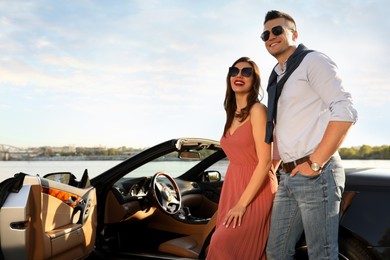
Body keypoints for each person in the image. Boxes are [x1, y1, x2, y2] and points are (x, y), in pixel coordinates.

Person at [261, 10, 358, 259]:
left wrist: (315, 163)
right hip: (289, 176)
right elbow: (284, 127)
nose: (270, 36)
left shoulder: (313, 61)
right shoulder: (276, 76)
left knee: (321, 255)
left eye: (277, 30)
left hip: (317, 173)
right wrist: (272, 169)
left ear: (294, 33)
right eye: (265, 34)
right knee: (276, 252)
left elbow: (345, 110)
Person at [206, 57, 278, 260]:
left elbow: (265, 161)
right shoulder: (232, 114)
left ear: (254, 80)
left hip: (257, 189)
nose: (239, 75)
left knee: (222, 242)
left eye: (246, 72)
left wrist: (242, 204)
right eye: (234, 71)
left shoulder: (257, 110)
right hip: (233, 186)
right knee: (227, 245)